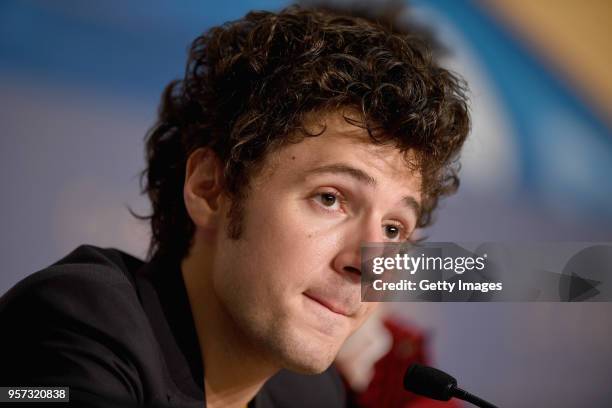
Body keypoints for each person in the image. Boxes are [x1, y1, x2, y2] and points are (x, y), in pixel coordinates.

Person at [0, 4, 469, 408]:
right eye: (330, 199)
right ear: (210, 190)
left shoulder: (311, 395)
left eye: (393, 229)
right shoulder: (78, 327)